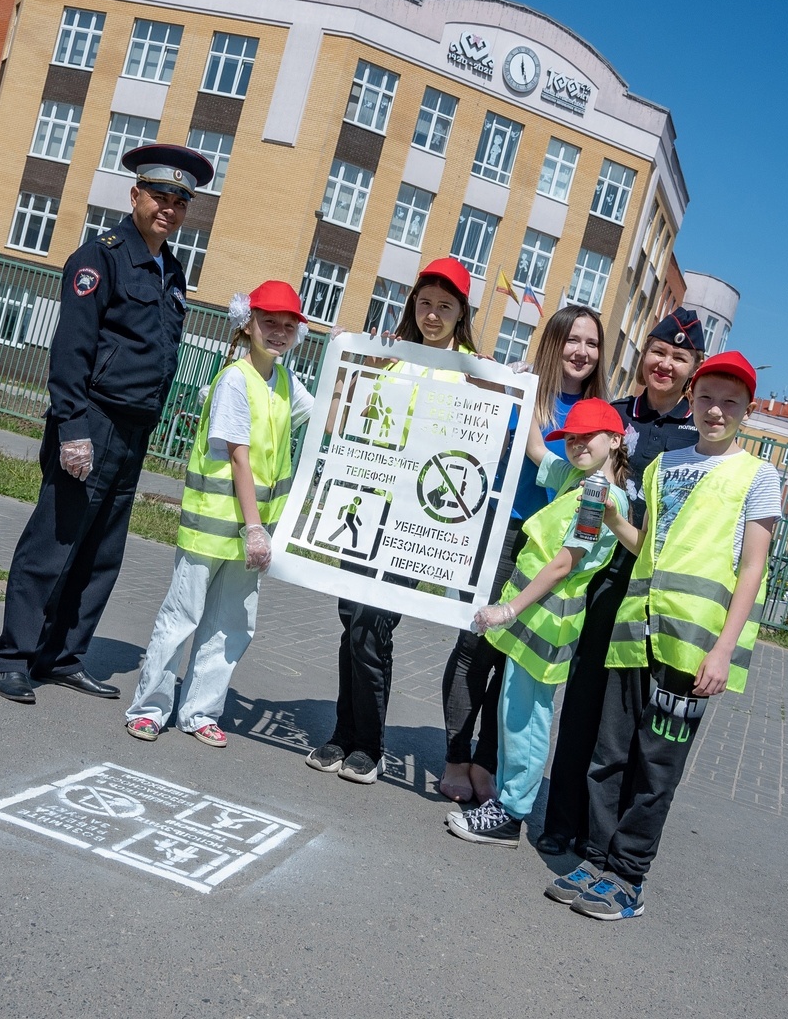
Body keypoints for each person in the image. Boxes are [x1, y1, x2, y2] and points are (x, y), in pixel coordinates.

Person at [547, 351, 780, 921]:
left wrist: (724, 650)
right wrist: (608, 517)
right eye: (706, 398)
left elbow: (753, 567)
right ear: (691, 400)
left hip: (694, 645)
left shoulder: (758, 475)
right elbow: (644, 546)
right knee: (609, 754)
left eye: (730, 402)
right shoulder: (663, 466)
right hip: (635, 632)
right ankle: (598, 860)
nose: (716, 411)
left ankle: (628, 879)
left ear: (747, 410)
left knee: (656, 765)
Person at [0, 144, 214, 704]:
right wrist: (72, 428)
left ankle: (62, 655)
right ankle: (13, 657)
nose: (169, 209)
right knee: (54, 542)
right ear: (135, 195)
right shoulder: (100, 259)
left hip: (134, 430)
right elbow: (71, 351)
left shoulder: (170, 269)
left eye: (180, 202)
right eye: (160, 196)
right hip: (93, 420)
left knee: (101, 553)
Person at [536, 307, 705, 855]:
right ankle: (562, 821)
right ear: (643, 355)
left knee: (625, 720)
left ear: (692, 369)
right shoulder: (610, 414)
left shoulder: (692, 435)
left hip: (653, 594)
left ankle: (601, 835)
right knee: (582, 705)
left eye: (679, 357)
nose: (665, 363)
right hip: (602, 582)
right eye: (658, 351)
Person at [305, 256, 476, 785]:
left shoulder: (475, 371)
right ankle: (341, 731)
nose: (432, 315)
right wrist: (345, 369)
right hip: (364, 507)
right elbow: (344, 417)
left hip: (414, 521)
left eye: (444, 307)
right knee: (351, 619)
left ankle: (368, 744)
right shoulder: (390, 357)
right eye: (424, 303)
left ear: (461, 313)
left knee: (373, 626)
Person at [124, 281, 314, 746]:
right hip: (217, 526)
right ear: (247, 324)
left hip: (252, 534)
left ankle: (200, 711)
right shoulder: (236, 378)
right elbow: (238, 457)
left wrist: (362, 356)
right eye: (269, 322)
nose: (278, 332)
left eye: (288, 326)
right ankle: (149, 707)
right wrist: (254, 528)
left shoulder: (285, 382)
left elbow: (331, 412)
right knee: (184, 614)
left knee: (232, 622)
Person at [440, 305, 606, 804]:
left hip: (557, 555)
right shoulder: (524, 389)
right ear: (552, 342)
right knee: (477, 646)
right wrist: (496, 378)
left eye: (592, 344)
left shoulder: (600, 412)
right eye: (572, 340)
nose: (582, 352)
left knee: (520, 662)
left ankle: (486, 763)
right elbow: (460, 395)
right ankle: (455, 758)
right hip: (506, 535)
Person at [448, 398, 631, 846]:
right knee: (515, 713)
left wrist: (507, 610)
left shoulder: (599, 495)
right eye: (571, 436)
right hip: (534, 617)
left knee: (527, 720)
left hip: (547, 620)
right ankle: (507, 804)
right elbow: (534, 447)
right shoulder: (577, 479)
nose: (577, 443)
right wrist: (526, 392)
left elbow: (564, 564)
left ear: (615, 440)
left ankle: (511, 813)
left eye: (588, 436)